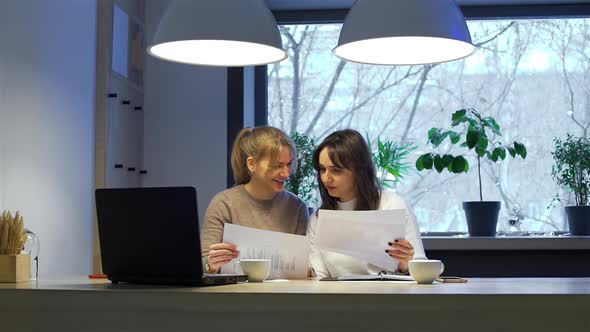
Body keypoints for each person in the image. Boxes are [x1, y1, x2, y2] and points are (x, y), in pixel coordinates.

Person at [308, 129, 426, 278]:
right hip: (338, 298)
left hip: (389, 297)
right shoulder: (318, 219)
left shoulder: (392, 205)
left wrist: (406, 265)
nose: (326, 178)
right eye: (322, 169)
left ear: (359, 171)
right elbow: (319, 276)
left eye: (336, 170)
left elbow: (421, 268)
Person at [201, 126, 309, 273]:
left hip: (284, 293)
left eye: (289, 164)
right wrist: (211, 264)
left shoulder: (297, 207)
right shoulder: (224, 203)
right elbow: (203, 263)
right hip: (234, 294)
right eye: (277, 166)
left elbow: (302, 266)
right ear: (252, 164)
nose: (286, 173)